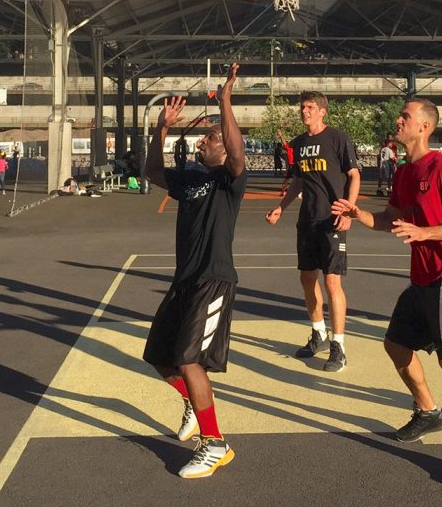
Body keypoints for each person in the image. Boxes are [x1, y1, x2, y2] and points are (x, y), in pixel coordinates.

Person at [331, 97, 442, 492]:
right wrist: (358, 214)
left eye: (405, 116)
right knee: (395, 345)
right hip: (423, 278)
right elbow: (392, 218)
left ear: (424, 127)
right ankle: (429, 411)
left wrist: (425, 233)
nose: (398, 120)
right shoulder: (404, 172)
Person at [143, 63, 246, 479]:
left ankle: (215, 443)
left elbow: (237, 154)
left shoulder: (229, 179)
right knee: (159, 358)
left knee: (189, 360)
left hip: (213, 279)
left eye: (213, 138)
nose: (205, 141)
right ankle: (192, 404)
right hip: (184, 282)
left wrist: (225, 103)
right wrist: (160, 130)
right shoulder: (191, 178)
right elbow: (151, 172)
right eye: (205, 136)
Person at [265, 92, 360, 372]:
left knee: (332, 283)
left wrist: (349, 210)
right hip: (307, 221)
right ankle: (318, 332)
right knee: (307, 279)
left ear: (322, 112)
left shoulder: (338, 139)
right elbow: (298, 181)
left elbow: (354, 175)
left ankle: (339, 345)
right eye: (302, 107)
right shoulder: (299, 143)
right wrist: (281, 207)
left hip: (331, 219)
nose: (303, 111)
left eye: (309, 107)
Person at [277, 128, 294, 195]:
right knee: (298, 180)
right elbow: (284, 143)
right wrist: (281, 135)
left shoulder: (289, 149)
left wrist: (281, 135)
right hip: (294, 165)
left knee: (287, 179)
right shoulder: (292, 148)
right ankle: (283, 191)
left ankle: (283, 191)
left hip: (291, 165)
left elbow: (284, 143)